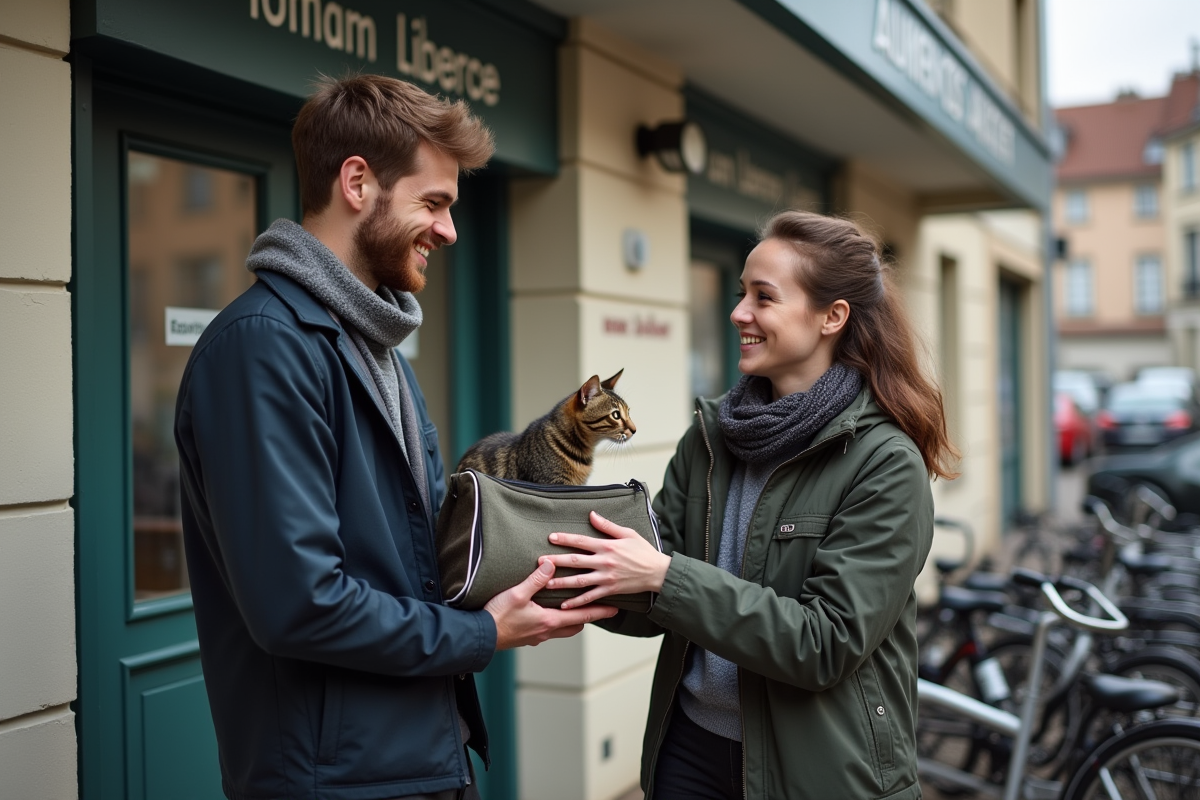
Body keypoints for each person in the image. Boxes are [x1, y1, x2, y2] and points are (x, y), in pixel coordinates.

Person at [174, 74, 615, 800]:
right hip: (337, 781)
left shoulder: (373, 346)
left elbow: (402, 559)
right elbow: (300, 604)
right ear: (357, 183)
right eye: (434, 203)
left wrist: (531, 574)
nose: (449, 230)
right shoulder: (263, 348)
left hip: (416, 754)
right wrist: (481, 635)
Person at [539, 210, 957, 799]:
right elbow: (655, 584)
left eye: (764, 297)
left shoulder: (883, 461)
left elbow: (825, 643)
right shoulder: (712, 437)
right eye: (741, 294)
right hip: (689, 751)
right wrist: (573, 581)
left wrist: (663, 579)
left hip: (818, 771)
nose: (738, 313)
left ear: (832, 317)